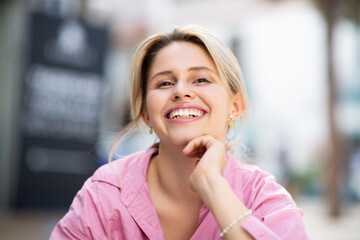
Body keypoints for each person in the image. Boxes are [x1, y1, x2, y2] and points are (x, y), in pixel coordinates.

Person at [50, 25, 309, 240]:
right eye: (164, 83)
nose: (180, 91)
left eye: (201, 79)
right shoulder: (103, 194)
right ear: (146, 114)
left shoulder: (264, 198)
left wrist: (212, 184)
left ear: (236, 106)